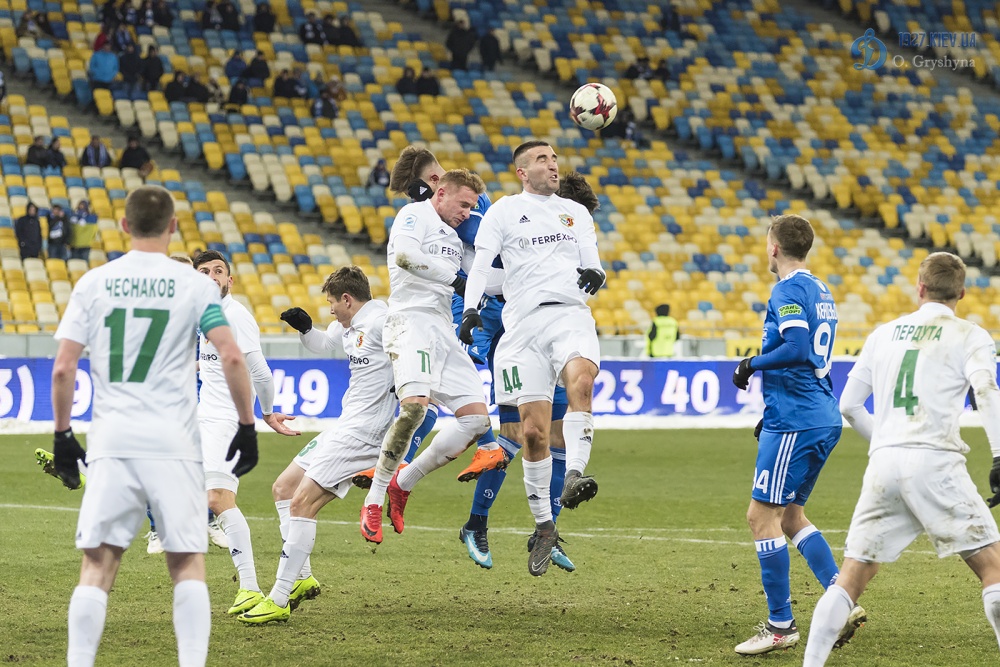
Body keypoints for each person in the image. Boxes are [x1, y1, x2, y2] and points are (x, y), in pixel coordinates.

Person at [50, 184, 258, 667]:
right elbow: (231, 356)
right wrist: (247, 426)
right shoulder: (196, 287)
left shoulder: (94, 282)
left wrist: (62, 434)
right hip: (175, 443)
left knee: (97, 564)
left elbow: (62, 368)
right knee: (187, 564)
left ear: (125, 226)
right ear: (172, 227)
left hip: (113, 440)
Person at [803, 252, 1000, 665]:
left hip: (885, 463)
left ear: (920, 287)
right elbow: (985, 389)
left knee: (850, 577)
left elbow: (849, 405)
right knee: (993, 569)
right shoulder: (971, 335)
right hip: (937, 462)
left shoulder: (883, 334)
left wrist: (887, 443)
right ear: (962, 293)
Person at [459, 141, 605, 576]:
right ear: (522, 171)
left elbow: (594, 263)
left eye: (555, 157)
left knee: (582, 382)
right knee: (531, 434)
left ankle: (575, 474)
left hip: (568, 315)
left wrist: (596, 274)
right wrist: (470, 310)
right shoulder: (504, 212)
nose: (553, 164)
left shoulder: (575, 213)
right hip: (521, 328)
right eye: (543, 159)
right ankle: (544, 528)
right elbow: (481, 267)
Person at [729, 213, 860, 655]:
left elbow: (797, 348)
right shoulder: (821, 290)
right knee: (790, 516)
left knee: (760, 517)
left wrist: (750, 364)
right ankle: (841, 599)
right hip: (818, 414)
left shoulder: (786, 289)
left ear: (774, 248)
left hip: (797, 419)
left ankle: (781, 625)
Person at [239, 267, 398, 624]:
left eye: (331, 303)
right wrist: (306, 330)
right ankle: (302, 577)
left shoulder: (382, 323)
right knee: (283, 488)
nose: (330, 310)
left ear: (347, 299)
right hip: (345, 424)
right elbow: (324, 345)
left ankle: (278, 597)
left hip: (364, 433)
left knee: (302, 502)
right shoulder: (349, 326)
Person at [358, 169, 505, 545]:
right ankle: (373, 500)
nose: (466, 213)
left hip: (442, 329)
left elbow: (482, 279)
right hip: (410, 322)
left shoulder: (456, 235)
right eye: (463, 204)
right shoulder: (415, 214)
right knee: (414, 410)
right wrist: (456, 280)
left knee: (476, 421)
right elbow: (406, 256)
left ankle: (403, 482)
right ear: (441, 193)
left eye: (471, 208)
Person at [192, 249, 300, 616]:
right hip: (203, 418)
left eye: (217, 271)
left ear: (229, 280)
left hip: (225, 421)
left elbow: (261, 372)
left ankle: (251, 588)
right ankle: (298, 576)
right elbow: (210, 361)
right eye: (203, 271)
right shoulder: (204, 315)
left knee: (218, 499)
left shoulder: (235, 315)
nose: (211, 277)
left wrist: (266, 413)